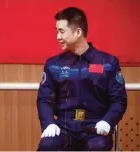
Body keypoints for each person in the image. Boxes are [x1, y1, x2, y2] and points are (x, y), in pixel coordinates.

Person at [37, 7, 127, 151]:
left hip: (95, 128)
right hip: (64, 128)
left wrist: (107, 122)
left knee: (97, 146)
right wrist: (49, 123)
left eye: (61, 31)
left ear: (78, 32)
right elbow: (44, 99)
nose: (57, 37)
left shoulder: (108, 63)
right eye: (56, 31)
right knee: (48, 145)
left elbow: (119, 100)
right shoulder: (53, 64)